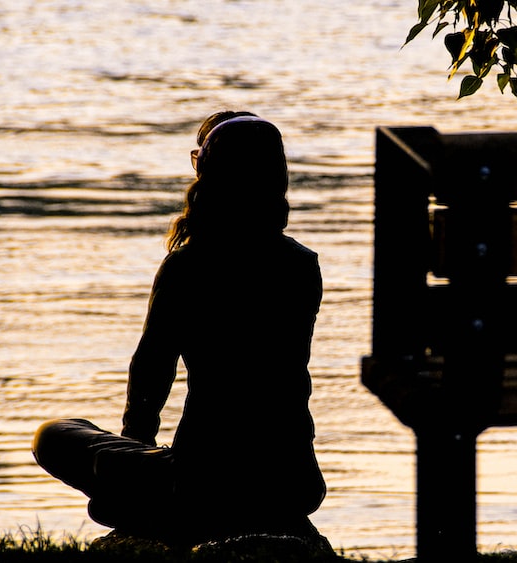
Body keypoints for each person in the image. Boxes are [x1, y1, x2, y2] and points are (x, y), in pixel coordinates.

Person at [32, 111, 326, 545]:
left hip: (202, 483)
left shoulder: (187, 266)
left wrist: (136, 449)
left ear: (210, 176)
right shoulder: (302, 266)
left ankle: (146, 502)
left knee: (54, 434)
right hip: (292, 483)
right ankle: (150, 494)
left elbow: (152, 365)